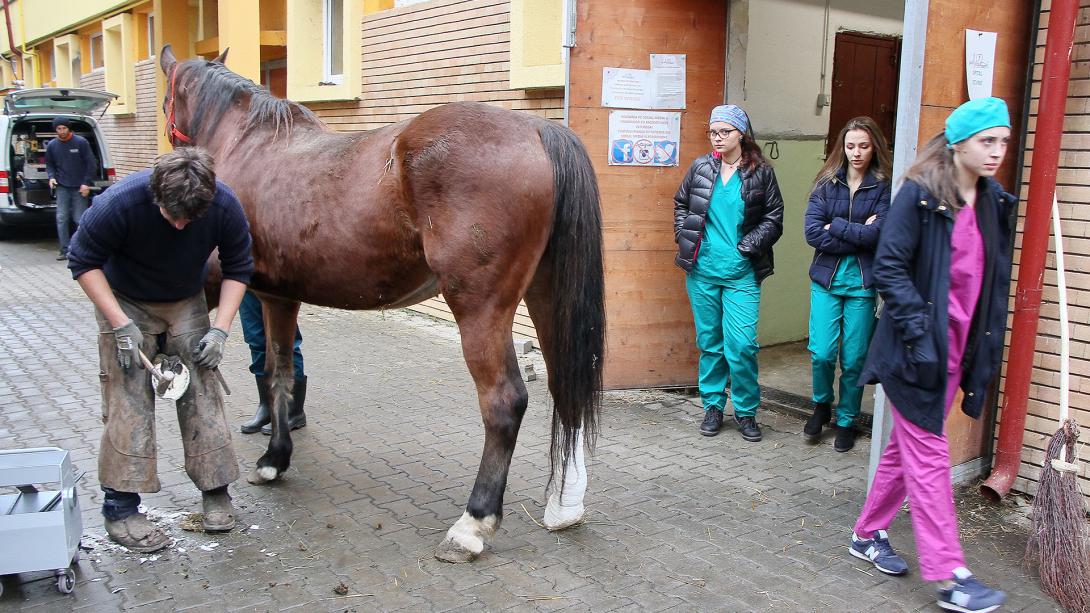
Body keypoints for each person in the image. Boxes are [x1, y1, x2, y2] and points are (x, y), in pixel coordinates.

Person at [847, 97, 1014, 613]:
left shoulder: (991, 203)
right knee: (930, 455)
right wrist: (920, 334)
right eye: (988, 140)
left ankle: (866, 533)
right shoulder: (920, 196)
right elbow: (889, 268)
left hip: (957, 353)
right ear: (959, 141)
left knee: (906, 450)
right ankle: (951, 575)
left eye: (1004, 141)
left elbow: (987, 285)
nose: (997, 152)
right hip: (913, 354)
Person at [67, 147, 253, 553]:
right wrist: (120, 324)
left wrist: (220, 330)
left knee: (202, 390)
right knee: (128, 397)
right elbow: (82, 261)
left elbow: (239, 266)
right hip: (126, 301)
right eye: (174, 217)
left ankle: (215, 490)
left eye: (192, 218)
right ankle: (121, 508)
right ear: (155, 196)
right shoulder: (119, 203)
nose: (183, 224)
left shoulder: (223, 204)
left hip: (186, 301)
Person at [673, 104, 784, 442]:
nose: (717, 138)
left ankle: (747, 411)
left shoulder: (760, 172)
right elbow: (681, 204)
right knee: (710, 343)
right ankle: (713, 406)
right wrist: (685, 236)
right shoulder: (701, 167)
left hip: (741, 273)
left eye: (724, 131)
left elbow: (774, 217)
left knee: (742, 345)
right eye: (712, 132)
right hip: (703, 271)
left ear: (741, 134)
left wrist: (747, 246)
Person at [802, 117, 892, 452]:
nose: (856, 153)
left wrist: (835, 226)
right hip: (827, 280)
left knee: (854, 358)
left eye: (864, 146)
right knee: (823, 353)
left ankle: (847, 419)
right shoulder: (827, 184)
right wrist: (856, 230)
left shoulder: (884, 186)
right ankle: (822, 403)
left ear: (874, 148)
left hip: (863, 284)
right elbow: (813, 234)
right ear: (842, 147)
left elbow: (879, 234)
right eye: (851, 146)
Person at [238, 290, 308, 434]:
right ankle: (267, 406)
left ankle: (293, 409)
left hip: (274, 275)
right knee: (255, 337)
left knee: (283, 339)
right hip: (246, 274)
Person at [45, 117, 97, 260]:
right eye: (59, 129)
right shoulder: (52, 145)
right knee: (61, 218)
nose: (62, 131)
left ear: (69, 128)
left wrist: (86, 183)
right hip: (62, 186)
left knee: (79, 219)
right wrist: (51, 177)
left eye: (64, 128)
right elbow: (49, 164)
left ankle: (80, 249)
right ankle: (64, 250)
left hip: (79, 187)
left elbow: (91, 164)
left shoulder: (81, 143)